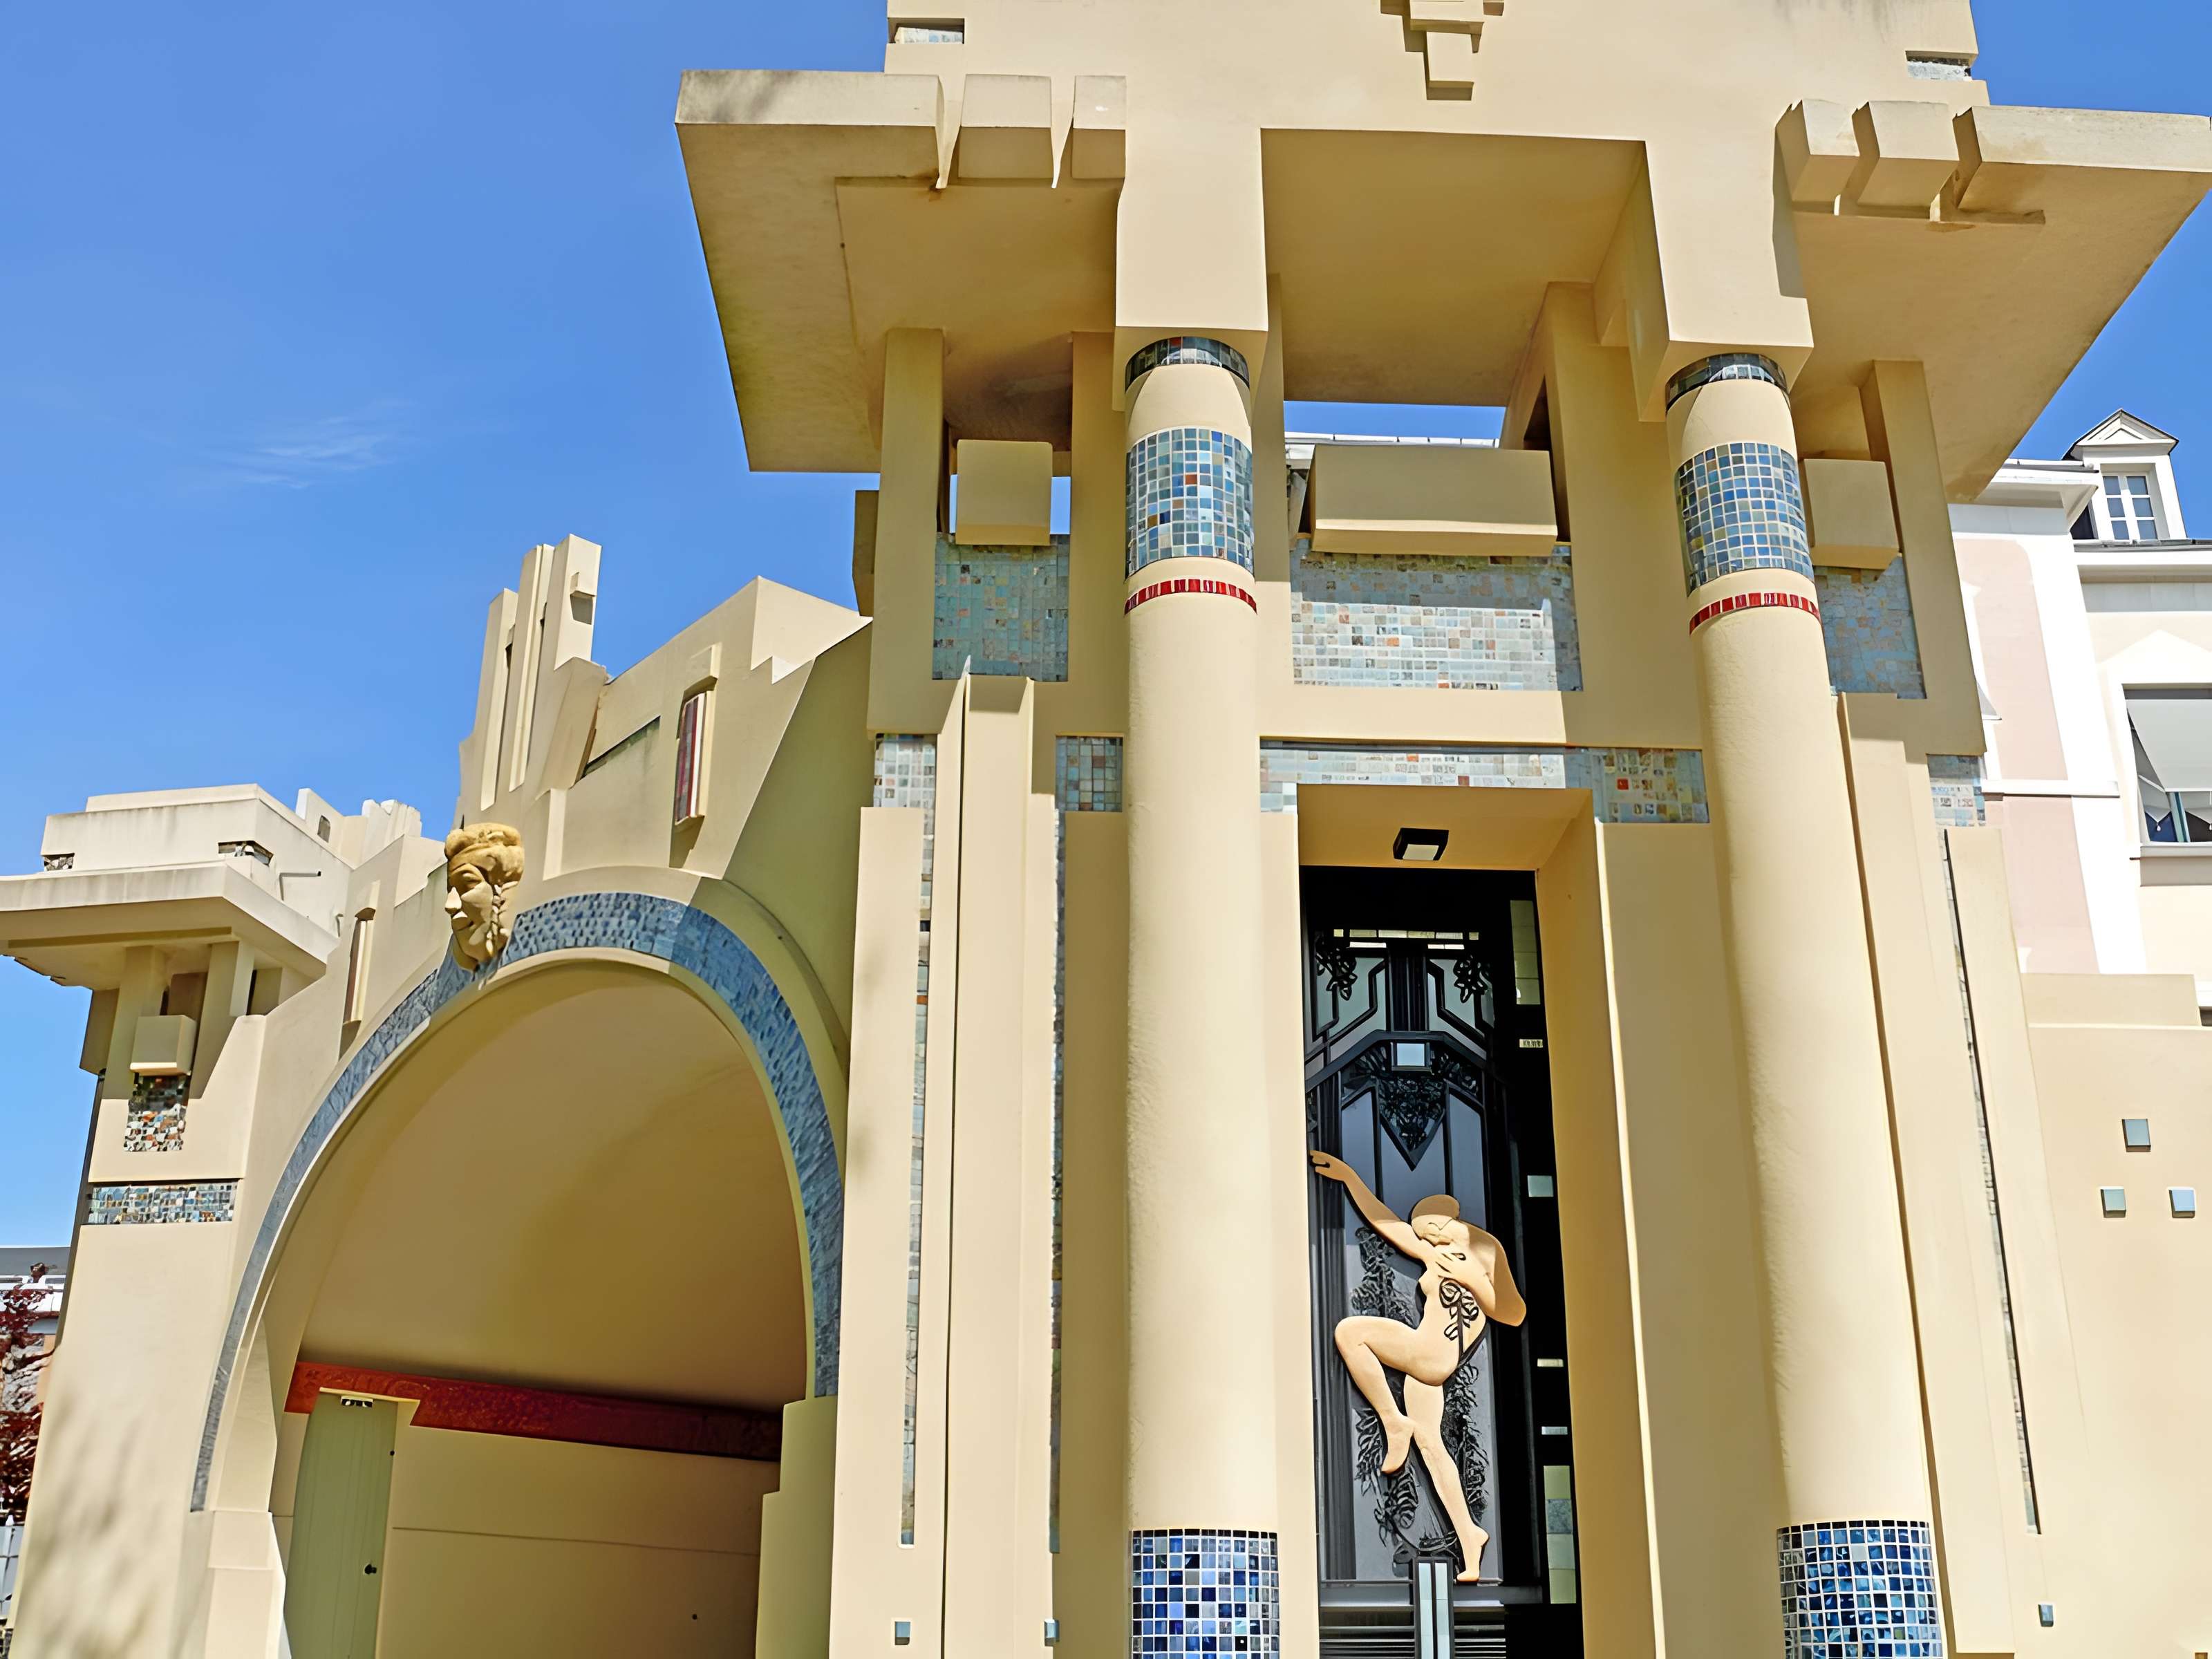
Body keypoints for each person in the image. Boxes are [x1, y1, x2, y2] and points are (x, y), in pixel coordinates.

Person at [1309, 1149, 1526, 1583]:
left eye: (1428, 1228)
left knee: (1351, 1333)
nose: (1422, 1237)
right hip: (1427, 1367)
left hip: (1432, 1352)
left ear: (1447, 1221)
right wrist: (1352, 1179)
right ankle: (1469, 1538)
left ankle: (1394, 1423)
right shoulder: (1434, 1255)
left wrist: (1472, 1281)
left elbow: (1513, 1313)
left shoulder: (1482, 1252)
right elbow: (1386, 1223)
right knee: (1433, 1448)